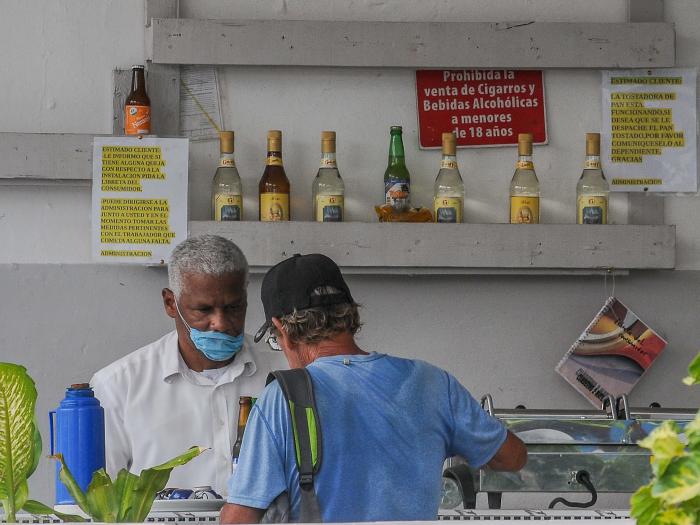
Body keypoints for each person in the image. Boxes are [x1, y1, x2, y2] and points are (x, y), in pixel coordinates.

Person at [221, 253, 527, 523]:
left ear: (283, 331)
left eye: (275, 340)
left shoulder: (282, 399)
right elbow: (513, 458)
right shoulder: (433, 382)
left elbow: (239, 520)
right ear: (350, 315)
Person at [91, 235, 285, 497]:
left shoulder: (284, 372)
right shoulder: (118, 387)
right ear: (171, 303)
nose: (221, 323)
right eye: (203, 310)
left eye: (233, 307)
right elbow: (102, 504)